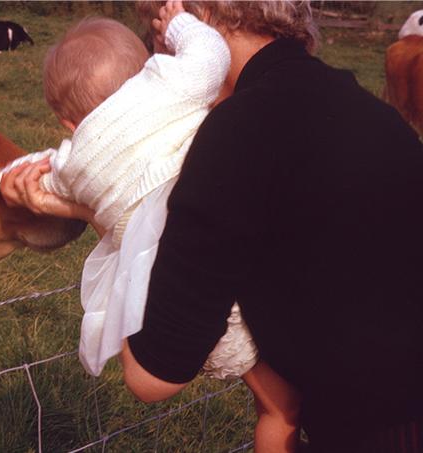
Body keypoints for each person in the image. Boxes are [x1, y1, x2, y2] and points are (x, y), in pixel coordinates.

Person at [0, 6, 301, 452]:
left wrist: (3, 177)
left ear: (67, 124)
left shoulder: (77, 160)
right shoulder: (167, 89)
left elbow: (42, 169)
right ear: (145, 70)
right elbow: (210, 56)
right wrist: (180, 24)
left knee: (271, 400)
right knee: (282, 409)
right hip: (241, 268)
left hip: (172, 303)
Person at [115, 1, 423, 452]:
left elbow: (154, 375)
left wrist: (106, 210)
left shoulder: (238, 128)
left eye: (157, 34)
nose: (154, 60)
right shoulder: (374, 113)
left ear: (193, 18)